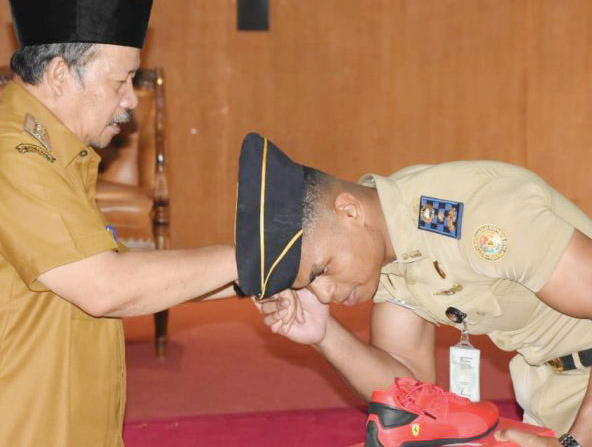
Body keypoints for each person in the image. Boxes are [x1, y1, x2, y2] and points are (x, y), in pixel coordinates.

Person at [0, 0, 237, 447]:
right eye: (120, 81)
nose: (130, 100)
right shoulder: (11, 152)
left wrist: (264, 275)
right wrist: (249, 257)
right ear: (61, 74)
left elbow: (122, 267)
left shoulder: (58, 152)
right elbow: (104, 286)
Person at [235, 132, 592, 447]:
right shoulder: (390, 246)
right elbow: (411, 389)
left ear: (349, 211)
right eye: (310, 285)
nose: (325, 294)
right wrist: (325, 333)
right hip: (553, 394)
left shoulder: (478, 215)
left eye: (322, 270)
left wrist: (575, 443)